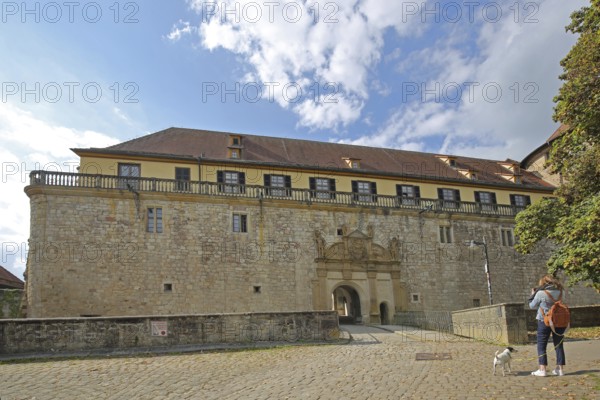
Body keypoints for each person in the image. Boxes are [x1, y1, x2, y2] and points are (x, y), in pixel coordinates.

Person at [528, 274, 567, 377]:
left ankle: (542, 369)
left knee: (541, 345)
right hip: (558, 321)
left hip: (544, 320)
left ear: (543, 283)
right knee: (558, 344)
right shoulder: (560, 292)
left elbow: (531, 306)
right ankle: (560, 369)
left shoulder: (541, 293)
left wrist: (532, 295)